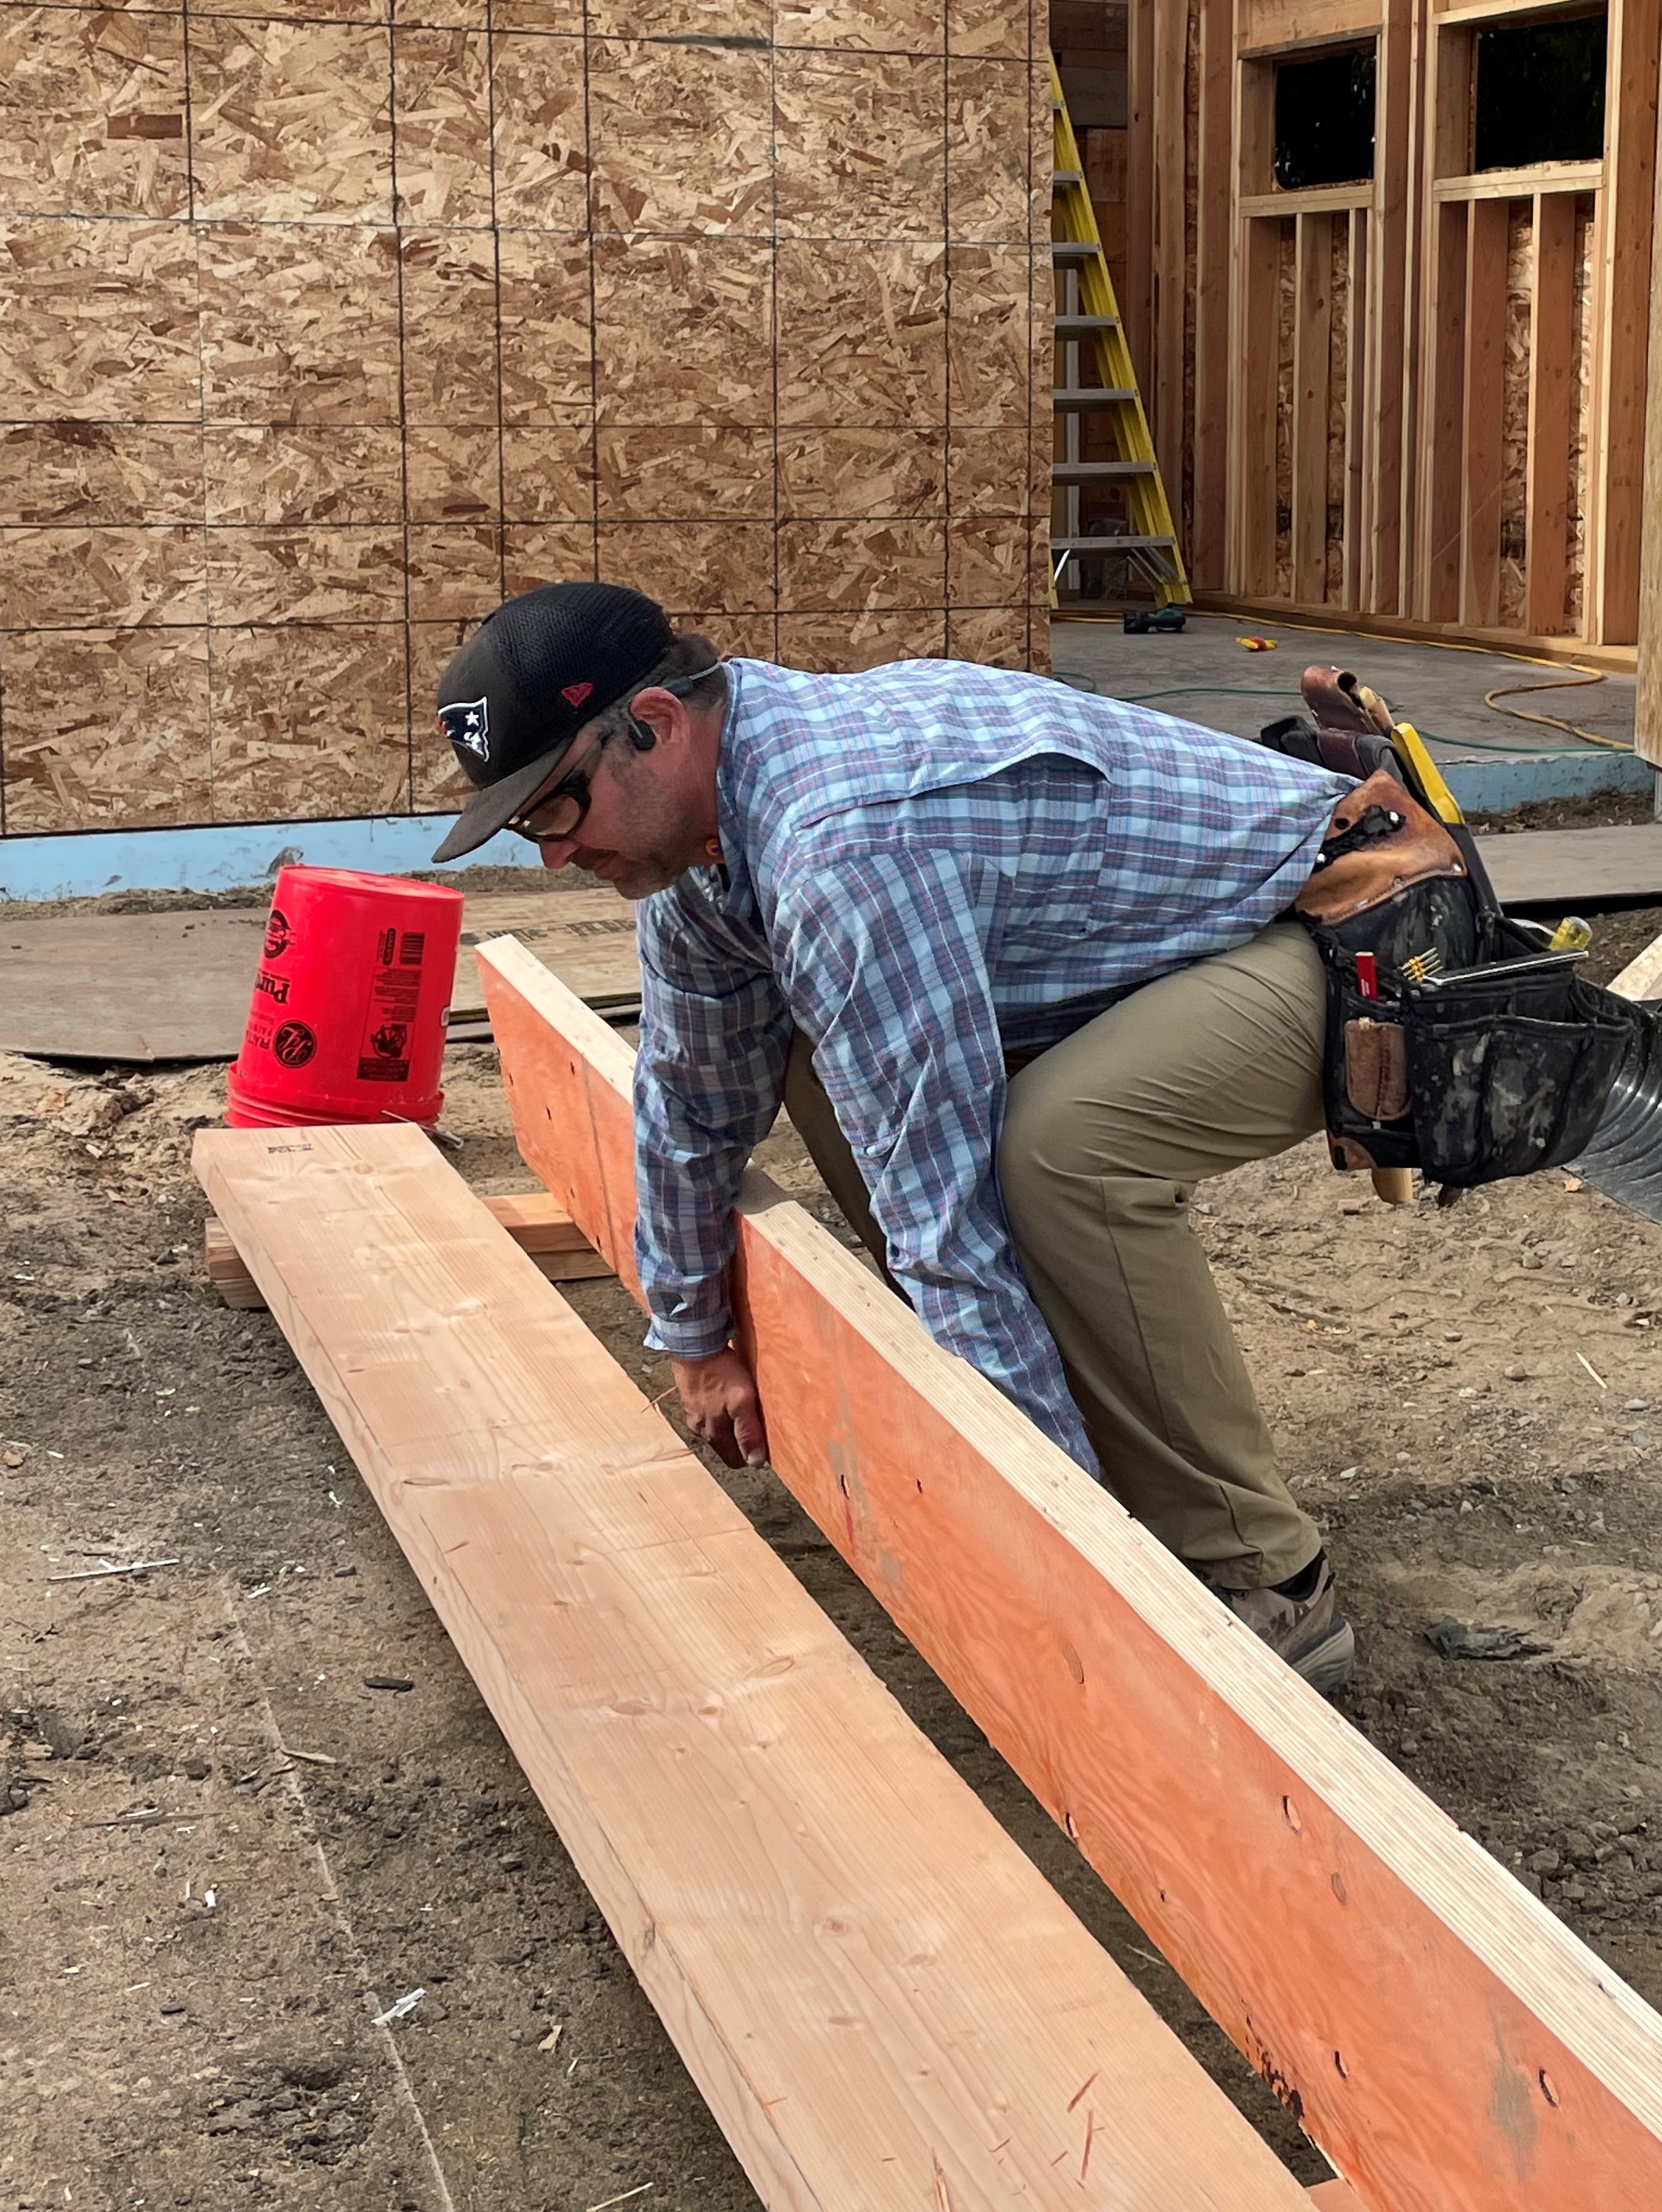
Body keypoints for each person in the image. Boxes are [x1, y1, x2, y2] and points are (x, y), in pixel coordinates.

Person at [430, 581, 1361, 1689]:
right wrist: (694, 1336)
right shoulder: (700, 845)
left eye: (555, 811)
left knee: (1060, 1155)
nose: (550, 856)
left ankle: (1267, 1580)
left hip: (1337, 924)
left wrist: (1064, 1584)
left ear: (657, 725)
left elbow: (946, 1227)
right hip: (1156, 948)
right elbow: (692, 1099)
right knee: (819, 1056)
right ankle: (1065, 1458)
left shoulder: (840, 847)